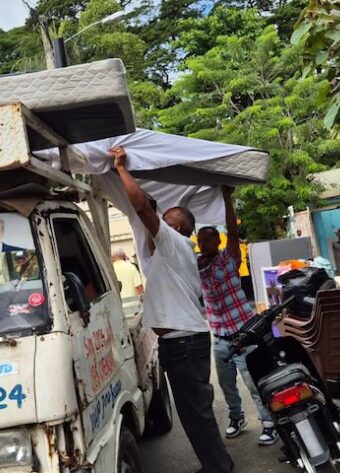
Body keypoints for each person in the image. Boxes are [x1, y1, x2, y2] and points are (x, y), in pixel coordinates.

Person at [111, 146, 234, 473]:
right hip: (181, 343)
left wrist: (121, 169)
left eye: (164, 221)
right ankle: (214, 465)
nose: (157, 224)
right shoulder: (169, 255)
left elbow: (140, 207)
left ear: (176, 229)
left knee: (197, 414)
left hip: (184, 344)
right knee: (194, 414)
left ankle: (219, 468)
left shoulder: (175, 243)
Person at [197, 187, 277, 446]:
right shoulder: (198, 265)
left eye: (206, 239)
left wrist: (226, 198)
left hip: (244, 332)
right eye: (199, 240)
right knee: (226, 384)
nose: (202, 244)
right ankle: (237, 417)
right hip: (219, 337)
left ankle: (268, 422)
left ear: (217, 241)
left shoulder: (229, 258)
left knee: (254, 382)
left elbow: (233, 230)